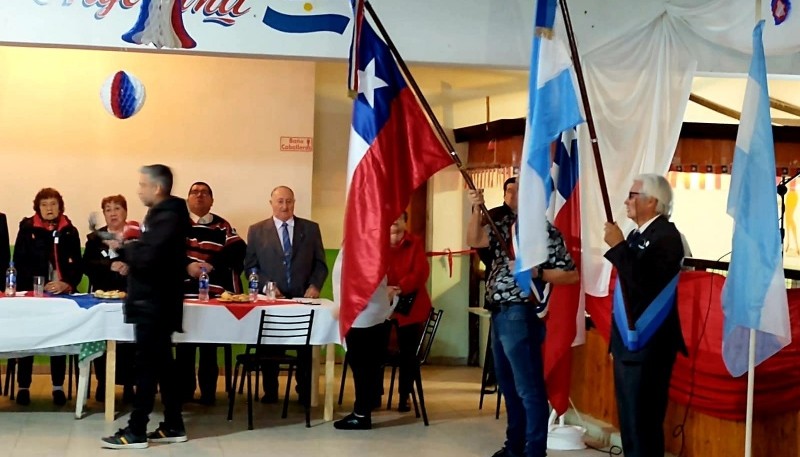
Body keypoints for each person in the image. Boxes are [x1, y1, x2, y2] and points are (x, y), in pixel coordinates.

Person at [466, 177, 578, 457]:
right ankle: (514, 447)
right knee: (509, 387)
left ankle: (534, 451)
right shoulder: (506, 226)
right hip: (499, 313)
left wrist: (537, 273)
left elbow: (570, 274)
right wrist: (476, 210)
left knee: (529, 389)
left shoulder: (546, 233)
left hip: (520, 311)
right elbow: (474, 239)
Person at [101, 165, 190, 449]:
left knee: (147, 366)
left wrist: (124, 246)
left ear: (158, 188)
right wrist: (129, 245)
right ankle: (174, 423)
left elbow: (151, 255)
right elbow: (149, 250)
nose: (139, 190)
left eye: (143, 185)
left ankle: (137, 429)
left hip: (155, 303)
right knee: (163, 365)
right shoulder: (161, 215)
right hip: (152, 302)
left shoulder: (169, 216)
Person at [602, 174, 687, 457]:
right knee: (629, 422)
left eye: (633, 194)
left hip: (652, 343)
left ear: (652, 201)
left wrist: (617, 247)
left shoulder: (667, 236)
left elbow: (643, 282)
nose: (627, 200)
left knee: (644, 423)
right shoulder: (638, 235)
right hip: (629, 342)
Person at [244, 185, 328, 403]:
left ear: (294, 202)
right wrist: (266, 286)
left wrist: (315, 285)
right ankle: (270, 391)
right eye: (280, 201)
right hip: (273, 301)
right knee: (270, 345)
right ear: (271, 203)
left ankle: (305, 392)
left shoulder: (310, 229)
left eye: (289, 201)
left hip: (303, 300)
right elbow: (251, 268)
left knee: (305, 347)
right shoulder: (256, 230)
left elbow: (320, 264)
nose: (285, 205)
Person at [176, 181, 246, 406]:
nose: (199, 196)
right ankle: (185, 392)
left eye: (204, 193)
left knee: (208, 345)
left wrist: (211, 265)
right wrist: (188, 266)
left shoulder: (222, 226)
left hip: (214, 297)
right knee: (184, 345)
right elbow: (166, 252)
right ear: (187, 198)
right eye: (194, 192)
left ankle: (208, 394)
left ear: (212, 200)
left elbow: (238, 250)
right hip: (184, 295)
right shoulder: (176, 224)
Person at [12, 188, 83, 406]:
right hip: (33, 295)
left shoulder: (70, 231)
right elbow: (19, 262)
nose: (49, 208)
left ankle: (58, 386)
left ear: (60, 207)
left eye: (53, 204)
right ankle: (23, 386)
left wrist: (66, 284)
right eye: (44, 204)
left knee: (59, 339)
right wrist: (35, 287)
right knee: (28, 339)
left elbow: (77, 266)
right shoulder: (27, 229)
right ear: (38, 208)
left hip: (61, 296)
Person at [83, 194, 138, 403]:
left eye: (117, 208)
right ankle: (104, 382)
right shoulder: (94, 238)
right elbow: (87, 265)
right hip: (102, 295)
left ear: (125, 212)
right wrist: (110, 265)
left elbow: (146, 262)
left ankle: (129, 385)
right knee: (102, 335)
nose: (113, 213)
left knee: (129, 338)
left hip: (130, 294)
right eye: (108, 209)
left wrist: (129, 265)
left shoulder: (136, 236)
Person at [332, 257, 392, 430]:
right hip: (367, 309)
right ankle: (363, 410)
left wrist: (349, 304)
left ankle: (361, 414)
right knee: (365, 364)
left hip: (361, 311)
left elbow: (361, 276)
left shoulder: (362, 242)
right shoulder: (368, 242)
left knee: (361, 364)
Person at [387, 211, 431, 413]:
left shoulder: (415, 243)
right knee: (374, 347)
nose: (394, 221)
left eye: (399, 217)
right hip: (383, 303)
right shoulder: (377, 243)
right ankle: (373, 394)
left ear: (406, 221)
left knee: (408, 353)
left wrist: (399, 288)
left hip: (411, 306)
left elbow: (420, 272)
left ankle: (404, 395)